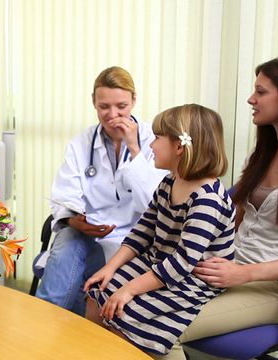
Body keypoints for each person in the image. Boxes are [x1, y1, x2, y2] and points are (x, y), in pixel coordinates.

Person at [163, 54, 278, 360]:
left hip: (277, 286)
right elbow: (231, 218)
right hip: (229, 269)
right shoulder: (260, 156)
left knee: (163, 329)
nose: (250, 99)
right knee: (130, 305)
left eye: (261, 91)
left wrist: (245, 274)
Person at [83, 103, 235, 356]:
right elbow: (143, 230)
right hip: (159, 264)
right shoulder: (170, 181)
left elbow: (182, 262)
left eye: (157, 138)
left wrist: (128, 289)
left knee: (125, 313)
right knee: (96, 290)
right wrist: (109, 268)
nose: (151, 145)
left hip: (193, 278)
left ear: (179, 147)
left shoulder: (208, 199)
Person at [36, 66, 167, 316]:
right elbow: (65, 194)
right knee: (67, 240)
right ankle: (46, 321)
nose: (112, 114)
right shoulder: (81, 143)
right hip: (89, 232)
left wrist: (134, 148)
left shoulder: (154, 140)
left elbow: (157, 203)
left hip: (136, 237)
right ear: (94, 103)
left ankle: (65, 334)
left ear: (134, 101)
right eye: (104, 106)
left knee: (75, 279)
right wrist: (74, 220)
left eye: (121, 106)